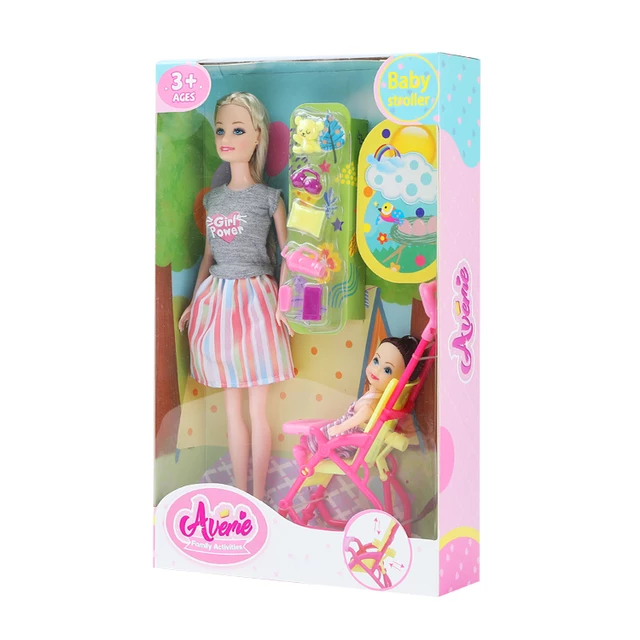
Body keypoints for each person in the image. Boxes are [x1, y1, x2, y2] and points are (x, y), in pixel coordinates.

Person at [178, 92, 294, 501]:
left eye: (238, 130)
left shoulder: (268, 198)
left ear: (258, 135)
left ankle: (259, 495)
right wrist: (194, 302)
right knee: (232, 408)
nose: (227, 138)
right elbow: (208, 256)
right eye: (221, 130)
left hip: (258, 300)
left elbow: (287, 253)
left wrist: (285, 303)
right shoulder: (213, 199)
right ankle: (241, 495)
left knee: (258, 410)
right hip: (218, 302)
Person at [294, 336, 423, 464]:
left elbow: (361, 416)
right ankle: (308, 448)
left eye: (387, 370)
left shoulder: (371, 404)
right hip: (346, 430)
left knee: (322, 440)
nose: (377, 370)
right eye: (376, 361)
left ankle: (308, 456)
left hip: (348, 435)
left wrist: (340, 427)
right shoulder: (374, 395)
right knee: (316, 435)